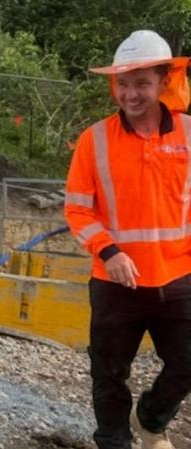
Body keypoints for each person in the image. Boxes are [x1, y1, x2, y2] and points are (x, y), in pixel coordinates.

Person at [64, 30, 191, 449]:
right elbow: (77, 209)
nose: (131, 94)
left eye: (142, 83)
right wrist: (109, 250)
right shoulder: (94, 139)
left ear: (164, 81)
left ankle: (151, 418)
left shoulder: (189, 135)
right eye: (123, 83)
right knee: (108, 372)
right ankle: (113, 441)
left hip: (179, 276)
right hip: (114, 279)